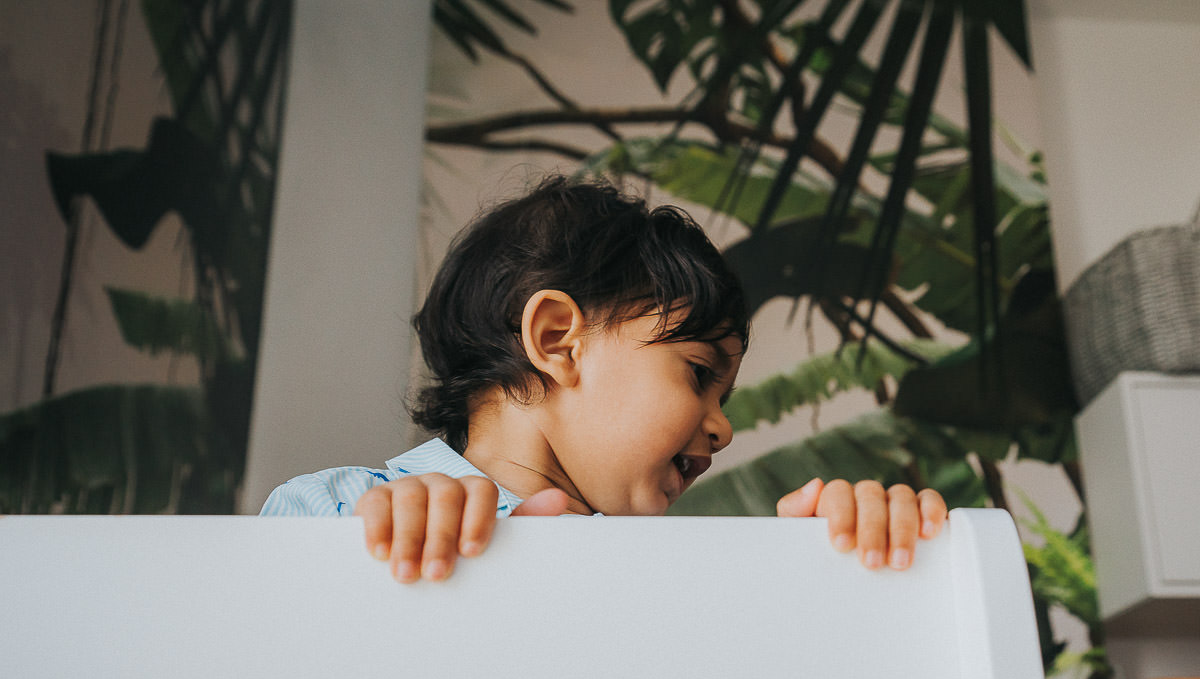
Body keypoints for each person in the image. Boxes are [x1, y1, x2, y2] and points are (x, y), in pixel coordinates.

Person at [261, 177, 947, 581]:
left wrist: (844, 560)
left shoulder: (683, 574)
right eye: (700, 373)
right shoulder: (337, 514)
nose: (723, 427)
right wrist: (380, 554)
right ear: (559, 341)